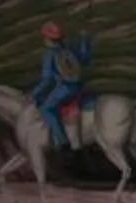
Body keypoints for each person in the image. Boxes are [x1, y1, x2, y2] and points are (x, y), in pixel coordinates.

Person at [32, 20, 92, 151]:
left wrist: (35, 93)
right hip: (79, 87)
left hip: (65, 89)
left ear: (48, 39)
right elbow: (85, 58)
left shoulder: (50, 54)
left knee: (46, 109)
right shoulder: (69, 50)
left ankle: (63, 142)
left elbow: (47, 79)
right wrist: (84, 39)